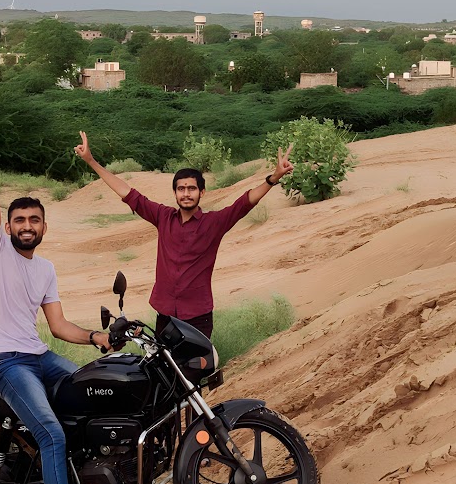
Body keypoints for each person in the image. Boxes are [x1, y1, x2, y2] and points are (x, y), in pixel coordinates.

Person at [0, 94, 115, 484]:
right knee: (52, 433)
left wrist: (98, 339)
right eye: (19, 220)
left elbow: (58, 326)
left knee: (95, 393)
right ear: (8, 227)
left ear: (44, 228)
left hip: (36, 353)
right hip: (4, 360)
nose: (26, 225)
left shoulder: (46, 268)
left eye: (34, 220)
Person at [74, 133, 294, 340]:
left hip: (198, 317)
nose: (186, 194)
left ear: (202, 192)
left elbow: (244, 203)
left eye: (191, 189)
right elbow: (128, 193)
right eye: (181, 189)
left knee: (195, 369)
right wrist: (91, 161)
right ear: (175, 193)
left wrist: (273, 178)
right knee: (163, 367)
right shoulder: (163, 217)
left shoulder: (214, 223)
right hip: (165, 315)